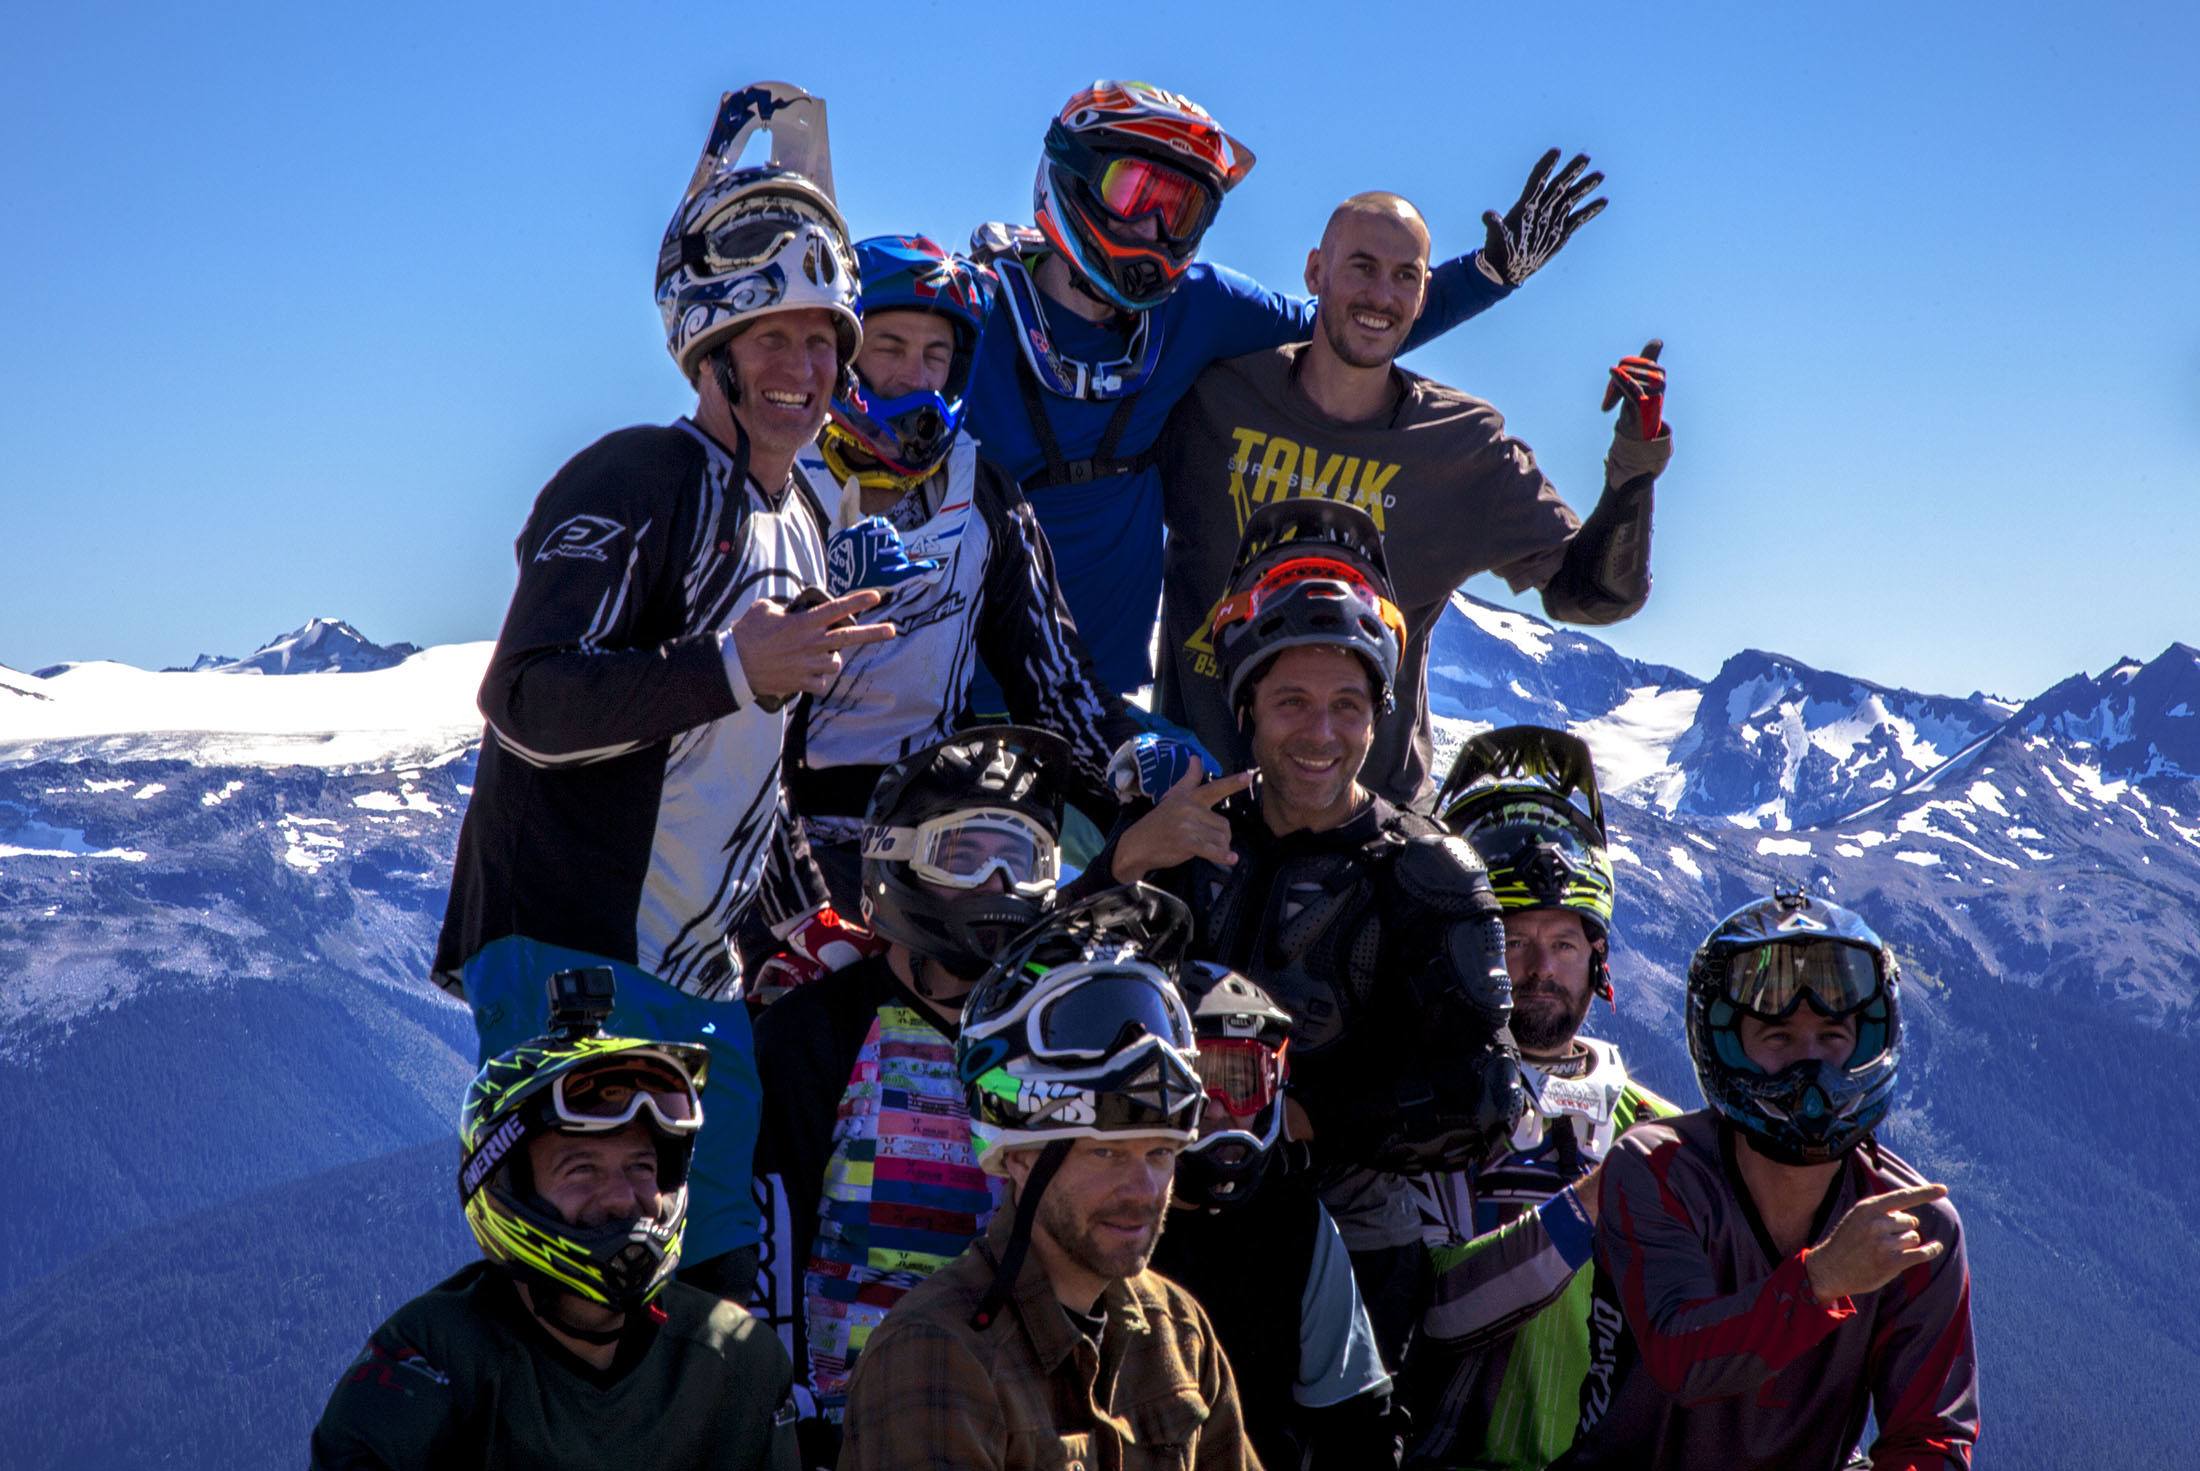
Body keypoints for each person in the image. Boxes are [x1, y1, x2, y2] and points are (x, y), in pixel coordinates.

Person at [432, 84, 896, 1297]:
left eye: (822, 341)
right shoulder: (639, 474)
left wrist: (803, 912)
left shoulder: (804, 514)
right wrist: (734, 665)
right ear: (712, 352)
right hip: (568, 951)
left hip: (705, 972)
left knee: (719, 1275)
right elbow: (527, 698)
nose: (804, 368)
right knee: (581, 1273)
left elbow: (734, 762)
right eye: (772, 340)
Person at [963, 81, 1606, 709]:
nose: (1157, 229)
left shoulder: (1200, 307)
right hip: (953, 685)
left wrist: (1490, 274)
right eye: (1136, 195)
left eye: (1181, 210)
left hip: (1097, 709)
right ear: (1072, 176)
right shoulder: (966, 315)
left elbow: (1345, 323)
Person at [1094, 502, 1522, 1368]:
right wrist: (1125, 860)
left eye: (1347, 705)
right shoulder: (1183, 836)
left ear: (1379, 715)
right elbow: (1047, 989)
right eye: (1292, 700)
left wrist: (1309, 1114)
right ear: (1247, 704)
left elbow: (1486, 1099)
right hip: (1165, 1217)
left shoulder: (1429, 872)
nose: (1321, 733)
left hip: (1348, 1231)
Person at [1156, 190, 1673, 805]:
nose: (1382, 296)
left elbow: (1594, 597)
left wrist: (1634, 466)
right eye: (1363, 267)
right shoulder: (1210, 400)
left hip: (1373, 839)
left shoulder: (1462, 446)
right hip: (1195, 811)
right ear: (1315, 270)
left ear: (1424, 294)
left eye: (1406, 276)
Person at [1553, 890, 1979, 1470]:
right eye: (1778, 1038)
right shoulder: (1656, 1168)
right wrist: (1820, 1281)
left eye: (1832, 1037)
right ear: (1728, 1045)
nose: (1811, 1064)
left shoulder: (1918, 1225)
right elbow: (1684, 1359)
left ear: (1869, 1039)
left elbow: (1930, 1440)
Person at [837, 886, 1256, 1470]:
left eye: (1160, 1153)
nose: (1142, 1191)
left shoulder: (1181, 1333)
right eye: (1105, 1155)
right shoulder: (936, 1354)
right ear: (1018, 1157)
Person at [311, 968, 798, 1470]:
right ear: (507, 1187)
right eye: (581, 1169)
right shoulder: (425, 1371)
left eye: (642, 1166)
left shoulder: (736, 1365)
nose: (621, 1198)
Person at [788, 236, 1141, 910]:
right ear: (844, 353)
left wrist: (1138, 770)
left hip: (932, 837)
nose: (915, 377)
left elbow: (1058, 687)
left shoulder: (985, 493)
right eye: (888, 347)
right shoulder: (778, 483)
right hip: (777, 836)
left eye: (937, 354)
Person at [749, 726, 1069, 1463]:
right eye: (965, 853)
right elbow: (774, 1235)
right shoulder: (813, 1029)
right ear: (897, 859)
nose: (999, 884)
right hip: (846, 1420)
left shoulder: (1052, 1033)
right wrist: (789, 1411)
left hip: (1008, 1417)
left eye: (1020, 858)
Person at [1399, 726, 1678, 1470]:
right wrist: (1588, 1204)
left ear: (1599, 957)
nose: (1539, 968)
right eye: (1512, 940)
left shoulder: (1657, 1128)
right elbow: (1432, 1310)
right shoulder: (1418, 1113)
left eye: (1563, 942)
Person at [1151, 960, 1398, 1470]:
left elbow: (1361, 1426)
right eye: (1196, 1085)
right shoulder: (1108, 1213)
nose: (1220, 1110)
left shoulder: (1293, 1226)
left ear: (1275, 1088)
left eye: (1242, 1082)